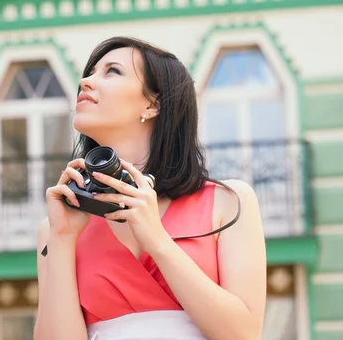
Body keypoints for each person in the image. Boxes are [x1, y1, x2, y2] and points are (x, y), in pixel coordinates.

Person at [33, 37, 267, 340]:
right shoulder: (57, 227)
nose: (85, 81)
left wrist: (156, 239)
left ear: (153, 103)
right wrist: (62, 238)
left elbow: (243, 335)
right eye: (90, 72)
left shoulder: (227, 202)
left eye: (112, 72)